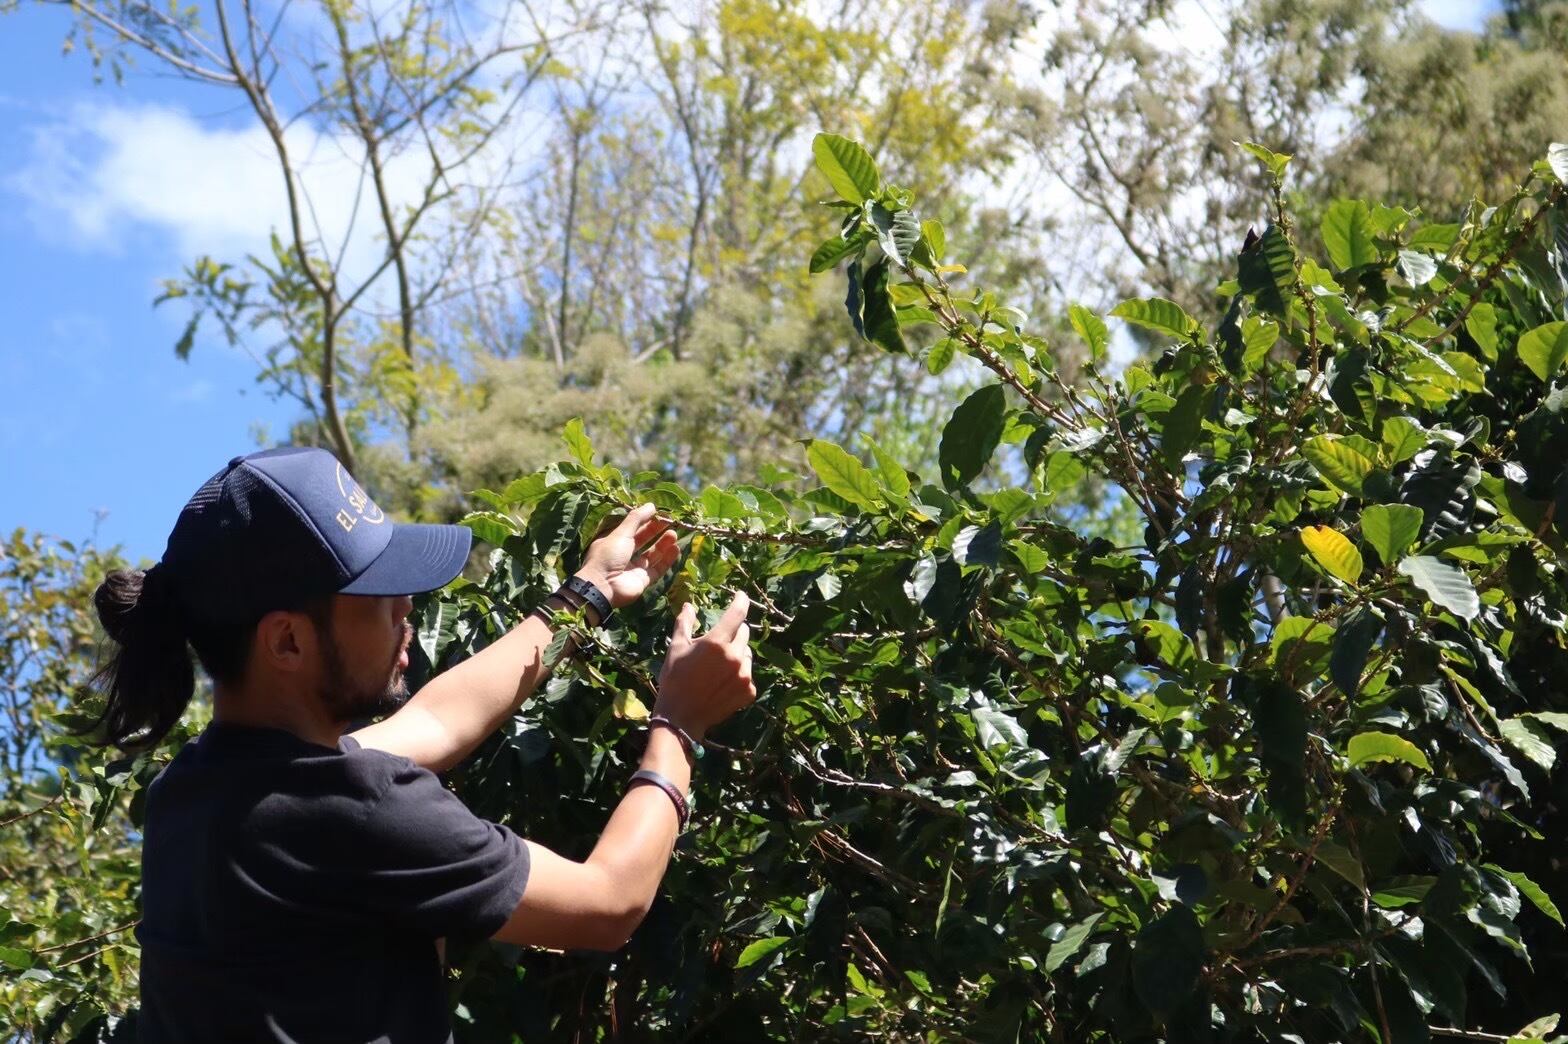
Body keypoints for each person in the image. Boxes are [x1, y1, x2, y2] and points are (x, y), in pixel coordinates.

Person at [86, 446, 755, 1043]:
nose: (408, 604)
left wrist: (586, 596)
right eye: (376, 595)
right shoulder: (351, 811)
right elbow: (608, 902)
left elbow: (437, 722)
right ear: (287, 640)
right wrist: (679, 725)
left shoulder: (197, 789)